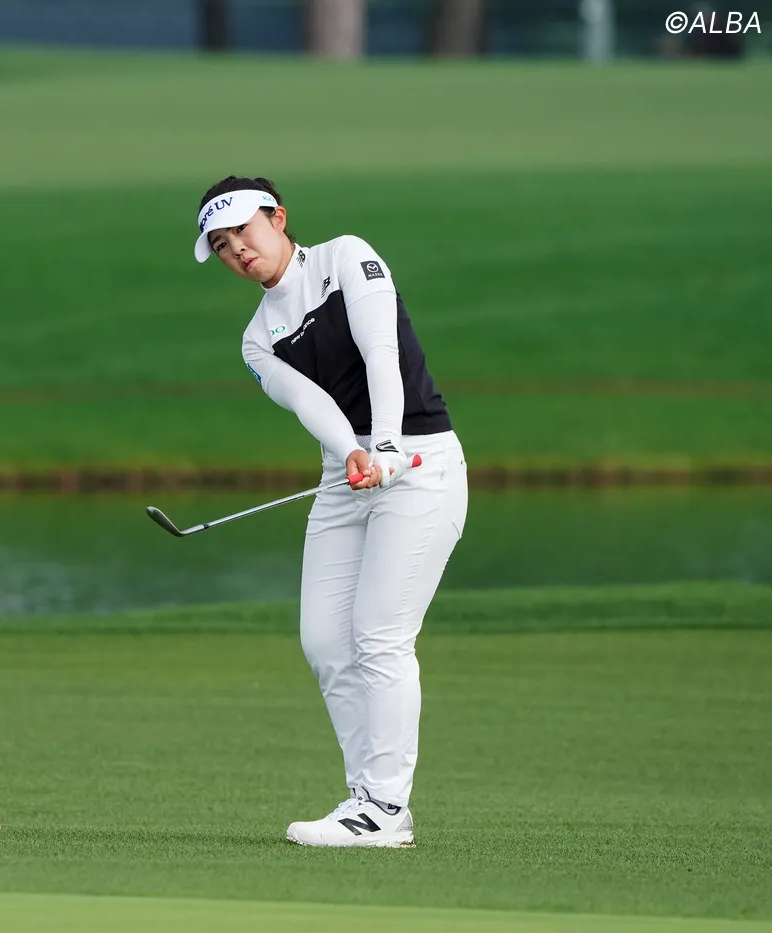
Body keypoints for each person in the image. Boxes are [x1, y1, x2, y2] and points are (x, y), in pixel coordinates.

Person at [194, 176, 468, 848]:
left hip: (420, 462)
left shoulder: (346, 257)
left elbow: (381, 352)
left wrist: (387, 444)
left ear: (278, 218)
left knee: (379, 635)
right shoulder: (257, 339)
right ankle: (364, 801)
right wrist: (352, 452)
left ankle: (386, 807)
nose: (237, 251)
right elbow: (310, 402)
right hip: (347, 476)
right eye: (222, 245)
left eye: (244, 231)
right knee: (324, 641)